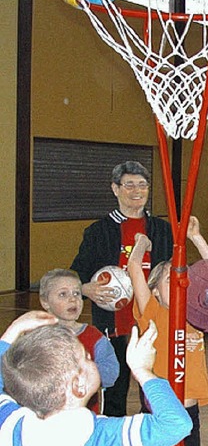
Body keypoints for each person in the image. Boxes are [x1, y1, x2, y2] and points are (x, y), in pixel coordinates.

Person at [0, 311, 192, 446]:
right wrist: (143, 371)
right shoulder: (105, 437)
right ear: (78, 386)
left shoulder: (9, 425)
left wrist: (12, 332)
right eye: (86, 357)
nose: (91, 357)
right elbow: (176, 424)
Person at [70, 160, 173, 416]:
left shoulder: (163, 230)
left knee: (154, 386)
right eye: (129, 185)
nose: (137, 191)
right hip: (113, 325)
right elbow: (76, 274)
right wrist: (86, 288)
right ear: (115, 189)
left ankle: (152, 443)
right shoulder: (98, 231)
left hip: (154, 322)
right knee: (115, 390)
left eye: (142, 185)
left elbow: (173, 271)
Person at [129, 215, 208, 446]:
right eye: (170, 280)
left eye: (185, 280)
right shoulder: (152, 310)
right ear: (155, 290)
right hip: (157, 414)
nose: (180, 285)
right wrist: (142, 242)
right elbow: (134, 266)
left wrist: (197, 238)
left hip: (188, 414)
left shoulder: (197, 314)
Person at [39, 268, 119, 414]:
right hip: (45, 417)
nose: (72, 299)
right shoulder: (36, 336)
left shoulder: (95, 337)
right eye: (63, 294)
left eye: (76, 293)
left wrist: (81, 371)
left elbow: (110, 374)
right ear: (45, 302)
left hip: (85, 417)